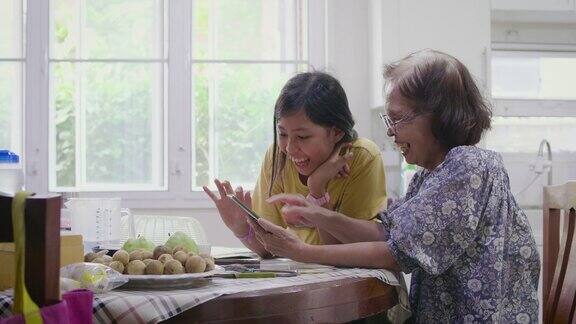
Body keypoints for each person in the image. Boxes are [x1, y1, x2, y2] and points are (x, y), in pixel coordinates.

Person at [249, 50, 540, 323]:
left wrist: (303, 251)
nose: (390, 130)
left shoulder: (469, 165)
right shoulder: (429, 176)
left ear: (439, 117)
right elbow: (387, 231)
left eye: (398, 118)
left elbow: (395, 253)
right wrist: (317, 214)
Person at [203, 72, 387, 257]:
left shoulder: (362, 156)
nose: (290, 148)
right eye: (282, 134)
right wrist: (241, 229)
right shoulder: (277, 157)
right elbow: (270, 249)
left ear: (336, 132)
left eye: (302, 137)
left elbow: (345, 253)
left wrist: (317, 189)